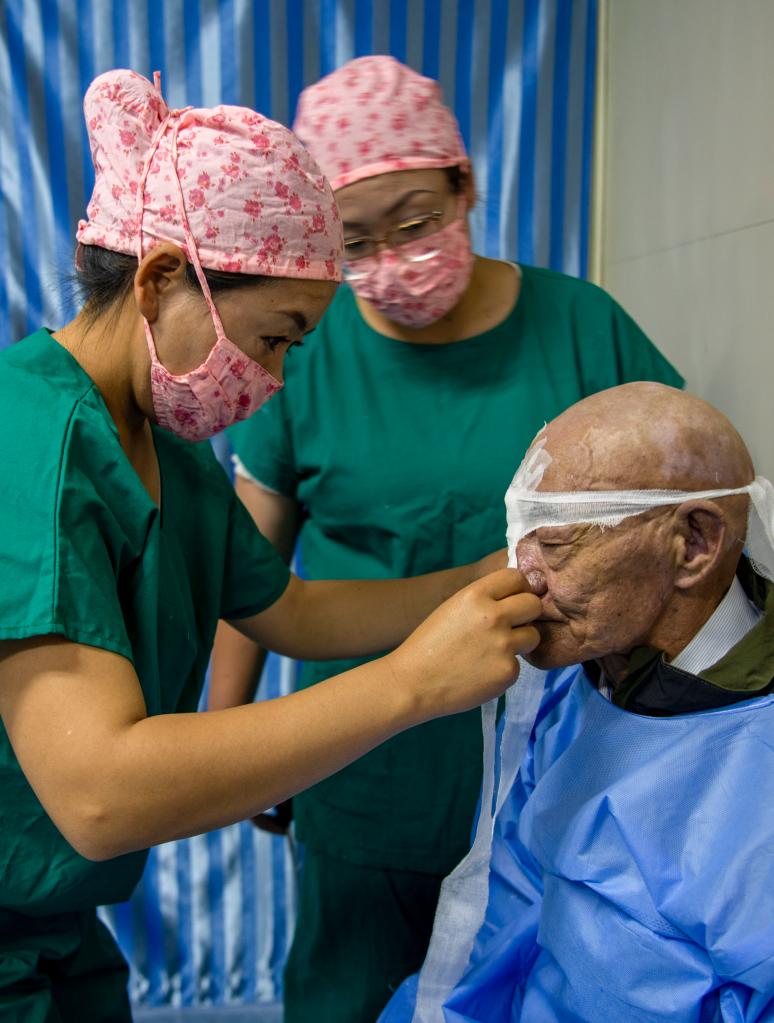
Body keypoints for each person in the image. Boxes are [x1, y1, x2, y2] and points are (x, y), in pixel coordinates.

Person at [0, 69, 545, 1023]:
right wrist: (412, 683)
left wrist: (484, 580)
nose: (277, 377)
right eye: (275, 337)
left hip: (59, 929)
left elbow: (289, 610)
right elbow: (101, 794)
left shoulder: (165, 444)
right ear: (161, 278)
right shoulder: (31, 445)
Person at [208, 55, 685, 1023]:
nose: (391, 256)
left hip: (561, 774)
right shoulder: (303, 346)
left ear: (465, 184)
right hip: (362, 768)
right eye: (354, 241)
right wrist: (230, 741)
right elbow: (249, 577)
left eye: (416, 220)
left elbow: (683, 520)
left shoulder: (581, 328)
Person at [381, 382, 774, 1023]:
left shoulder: (755, 767)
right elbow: (502, 917)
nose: (520, 577)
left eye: (557, 546)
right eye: (519, 539)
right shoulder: (579, 676)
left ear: (695, 543)